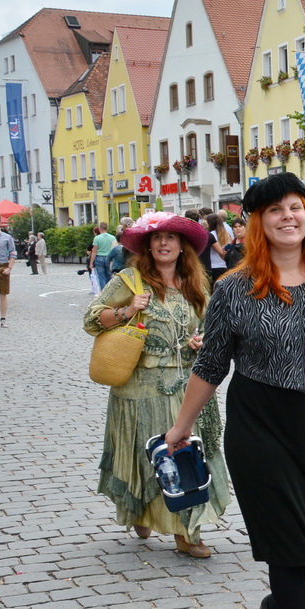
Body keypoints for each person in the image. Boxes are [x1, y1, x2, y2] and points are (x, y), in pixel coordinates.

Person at [165, 172, 305, 609]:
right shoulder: (234, 289)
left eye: (296, 207)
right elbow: (212, 363)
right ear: (257, 223)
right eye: (275, 210)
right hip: (259, 425)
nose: (289, 216)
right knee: (286, 547)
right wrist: (182, 425)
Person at [82, 211, 229, 559]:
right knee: (147, 455)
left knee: (186, 454)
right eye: (157, 238)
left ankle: (186, 531)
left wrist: (201, 340)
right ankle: (141, 510)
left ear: (182, 247)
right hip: (139, 387)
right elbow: (91, 319)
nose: (164, 244)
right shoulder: (129, 280)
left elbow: (209, 326)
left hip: (187, 384)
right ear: (148, 246)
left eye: (171, 238)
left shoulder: (195, 283)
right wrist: (126, 311)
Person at [204, 210, 230, 284]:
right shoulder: (226, 234)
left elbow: (220, 251)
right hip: (224, 265)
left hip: (214, 266)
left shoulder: (211, 234)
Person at [91, 221, 118, 292]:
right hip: (109, 258)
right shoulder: (112, 238)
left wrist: (91, 262)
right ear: (107, 228)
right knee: (109, 275)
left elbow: (94, 251)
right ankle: (110, 291)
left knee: (101, 276)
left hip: (99, 258)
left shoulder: (97, 238)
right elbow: (115, 249)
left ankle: (103, 292)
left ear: (100, 228)